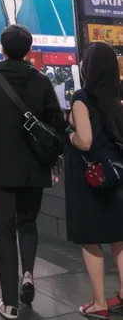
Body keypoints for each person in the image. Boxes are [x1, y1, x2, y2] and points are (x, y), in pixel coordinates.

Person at [0, 25, 66, 320]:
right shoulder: (42, 82)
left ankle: (9, 303)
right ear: (28, 50)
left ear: (2, 49)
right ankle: (28, 273)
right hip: (34, 169)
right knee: (28, 223)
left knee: (4, 232)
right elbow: (56, 126)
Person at [66, 42, 123, 319]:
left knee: (91, 239)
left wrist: (70, 136)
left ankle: (100, 303)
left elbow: (86, 141)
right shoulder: (118, 96)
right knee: (120, 238)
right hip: (119, 175)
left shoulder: (82, 97)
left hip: (94, 180)